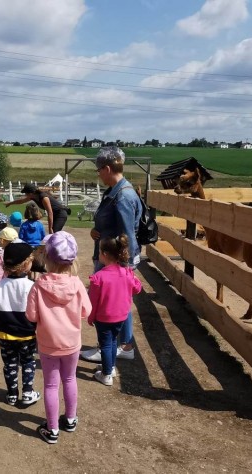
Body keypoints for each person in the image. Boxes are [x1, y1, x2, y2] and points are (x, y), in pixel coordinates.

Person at [25, 231, 91, 444]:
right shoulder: (77, 283)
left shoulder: (38, 286)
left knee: (51, 385)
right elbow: (86, 311)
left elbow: (31, 316)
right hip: (72, 343)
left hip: (48, 345)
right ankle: (70, 419)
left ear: (46, 257)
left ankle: (52, 429)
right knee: (70, 379)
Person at [81, 146, 143, 363]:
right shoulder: (116, 191)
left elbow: (127, 234)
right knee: (120, 302)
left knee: (112, 304)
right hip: (111, 257)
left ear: (107, 168)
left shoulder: (123, 196)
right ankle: (120, 345)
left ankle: (113, 346)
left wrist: (123, 266)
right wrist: (97, 231)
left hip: (114, 261)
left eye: (99, 170)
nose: (98, 174)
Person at [0, 242, 39, 406]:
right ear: (26, 265)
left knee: (10, 363)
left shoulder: (1, 286)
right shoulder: (31, 286)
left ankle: (11, 394)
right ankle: (27, 392)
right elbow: (37, 311)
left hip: (5, 334)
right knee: (28, 362)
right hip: (28, 333)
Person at [87, 235, 142, 386]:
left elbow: (93, 302)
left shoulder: (98, 277)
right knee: (112, 342)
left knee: (106, 344)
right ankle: (110, 367)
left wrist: (90, 317)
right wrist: (131, 274)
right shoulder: (126, 272)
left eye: (99, 252)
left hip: (103, 318)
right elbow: (137, 289)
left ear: (104, 254)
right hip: (121, 317)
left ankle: (106, 375)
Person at [6, 184, 70, 233]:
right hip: (55, 214)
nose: (25, 194)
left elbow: (50, 212)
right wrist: (10, 203)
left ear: (30, 193)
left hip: (60, 214)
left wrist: (50, 228)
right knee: (54, 233)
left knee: (54, 232)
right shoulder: (33, 197)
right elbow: (21, 201)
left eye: (26, 193)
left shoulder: (44, 198)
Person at [0, 226, 19, 292]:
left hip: (5, 285)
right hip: (18, 284)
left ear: (2, 240)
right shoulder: (20, 252)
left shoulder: (2, 254)